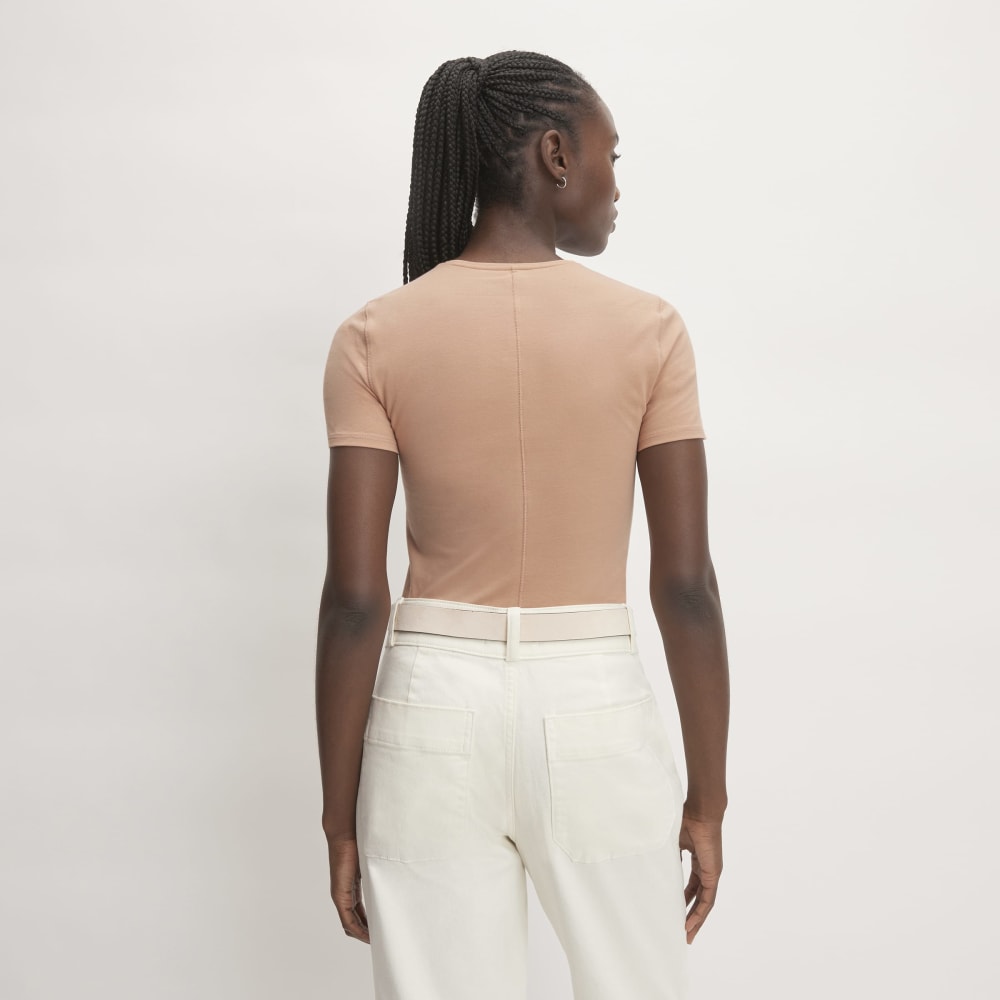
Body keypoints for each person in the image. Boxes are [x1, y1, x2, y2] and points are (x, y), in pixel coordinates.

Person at [316, 49, 729, 1000]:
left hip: (430, 714)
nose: (615, 184)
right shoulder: (650, 331)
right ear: (554, 155)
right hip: (594, 709)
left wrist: (340, 817)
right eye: (609, 156)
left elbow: (354, 600)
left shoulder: (373, 336)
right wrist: (707, 799)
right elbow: (686, 588)